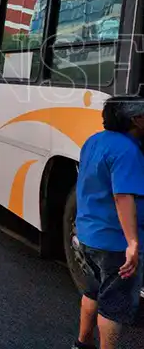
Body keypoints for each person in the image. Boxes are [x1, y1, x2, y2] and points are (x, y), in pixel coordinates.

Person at [73, 96, 144, 349]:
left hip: (89, 234)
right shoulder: (128, 151)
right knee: (114, 305)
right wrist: (133, 243)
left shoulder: (94, 141)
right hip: (114, 242)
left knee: (93, 291)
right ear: (136, 119)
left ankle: (82, 343)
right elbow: (122, 196)